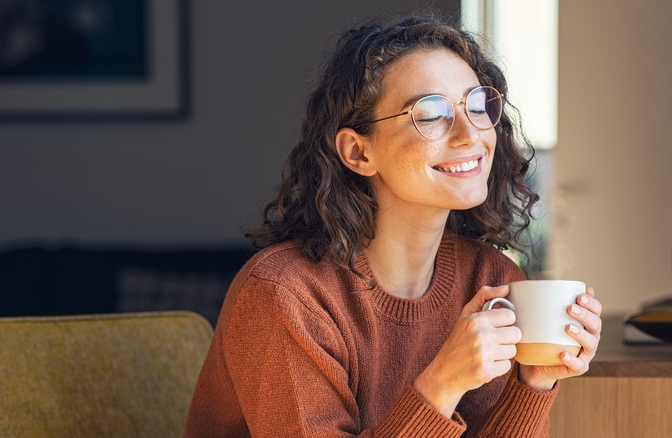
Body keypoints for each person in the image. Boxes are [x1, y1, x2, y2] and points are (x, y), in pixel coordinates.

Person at [184, 15, 602, 437]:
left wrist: (534, 382)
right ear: (358, 152)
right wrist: (444, 382)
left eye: (476, 105)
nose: (469, 134)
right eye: (431, 113)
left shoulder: (490, 279)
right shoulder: (285, 295)